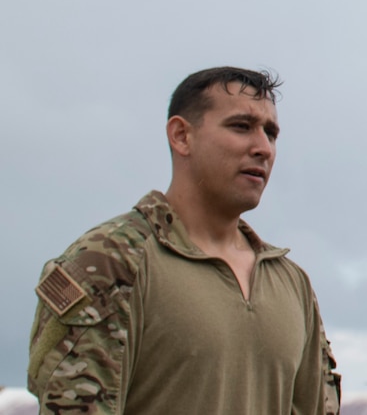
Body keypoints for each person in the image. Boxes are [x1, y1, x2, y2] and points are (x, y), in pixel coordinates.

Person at [28, 67, 341, 414]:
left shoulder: (291, 282)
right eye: (241, 126)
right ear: (181, 136)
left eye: (271, 133)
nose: (263, 148)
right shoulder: (110, 261)